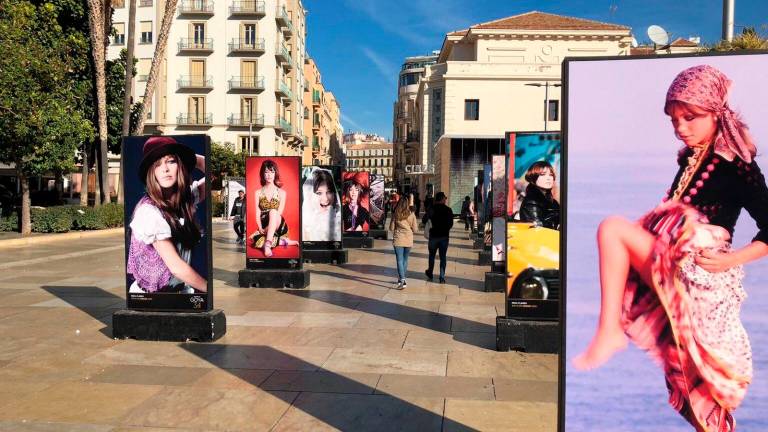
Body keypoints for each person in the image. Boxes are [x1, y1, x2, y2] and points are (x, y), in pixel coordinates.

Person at [573, 65, 768, 431]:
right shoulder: (689, 160)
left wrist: (732, 260)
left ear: (717, 112)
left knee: (612, 229)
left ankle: (611, 329)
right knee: (691, 389)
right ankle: (611, 328)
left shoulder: (737, 164)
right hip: (677, 265)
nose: (681, 127)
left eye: (690, 117)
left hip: (701, 277)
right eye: (674, 119)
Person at [127, 136, 207, 294]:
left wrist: (188, 158)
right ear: (152, 172)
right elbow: (176, 267)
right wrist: (208, 289)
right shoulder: (148, 212)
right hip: (150, 299)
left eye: (171, 161)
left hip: (180, 291)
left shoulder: (184, 200)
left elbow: (212, 173)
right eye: (157, 164)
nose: (165, 169)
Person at [247, 160, 299, 257]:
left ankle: (268, 244)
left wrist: (267, 229)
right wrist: (260, 227)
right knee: (258, 242)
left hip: (278, 223)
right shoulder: (258, 192)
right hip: (264, 222)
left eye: (272, 172)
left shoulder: (282, 193)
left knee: (274, 212)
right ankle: (284, 241)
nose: (269, 175)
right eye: (266, 172)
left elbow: (279, 212)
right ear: (262, 174)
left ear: (276, 174)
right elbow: (258, 212)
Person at [302, 167, 341, 241]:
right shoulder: (304, 224)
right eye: (319, 193)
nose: (325, 198)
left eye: (329, 192)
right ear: (309, 195)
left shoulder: (339, 219)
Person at [518, 161, 560, 230]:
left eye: (551, 175)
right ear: (533, 178)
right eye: (543, 174)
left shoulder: (553, 202)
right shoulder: (531, 202)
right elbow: (537, 228)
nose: (548, 178)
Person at [423, 191, 454, 283]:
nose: (445, 199)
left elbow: (424, 220)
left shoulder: (432, 209)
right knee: (443, 257)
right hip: (444, 237)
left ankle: (430, 272)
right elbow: (451, 224)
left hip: (433, 236)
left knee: (432, 256)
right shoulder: (448, 210)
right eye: (445, 198)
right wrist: (445, 229)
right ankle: (441, 277)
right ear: (442, 199)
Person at [389, 194, 418, 289]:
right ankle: (402, 278)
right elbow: (415, 230)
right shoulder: (412, 214)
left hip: (398, 239)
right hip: (409, 239)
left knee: (399, 260)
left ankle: (402, 280)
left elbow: (391, 228)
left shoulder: (396, 214)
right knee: (405, 260)